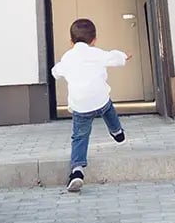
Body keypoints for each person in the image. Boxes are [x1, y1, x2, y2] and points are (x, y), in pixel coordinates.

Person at [51, 18, 129, 193]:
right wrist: (123, 57)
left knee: (80, 137)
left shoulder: (68, 57)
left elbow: (57, 71)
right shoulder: (98, 53)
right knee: (109, 108)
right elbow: (114, 58)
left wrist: (55, 71)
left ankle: (77, 171)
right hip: (100, 100)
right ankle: (117, 132)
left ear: (71, 42)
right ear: (94, 40)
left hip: (81, 106)